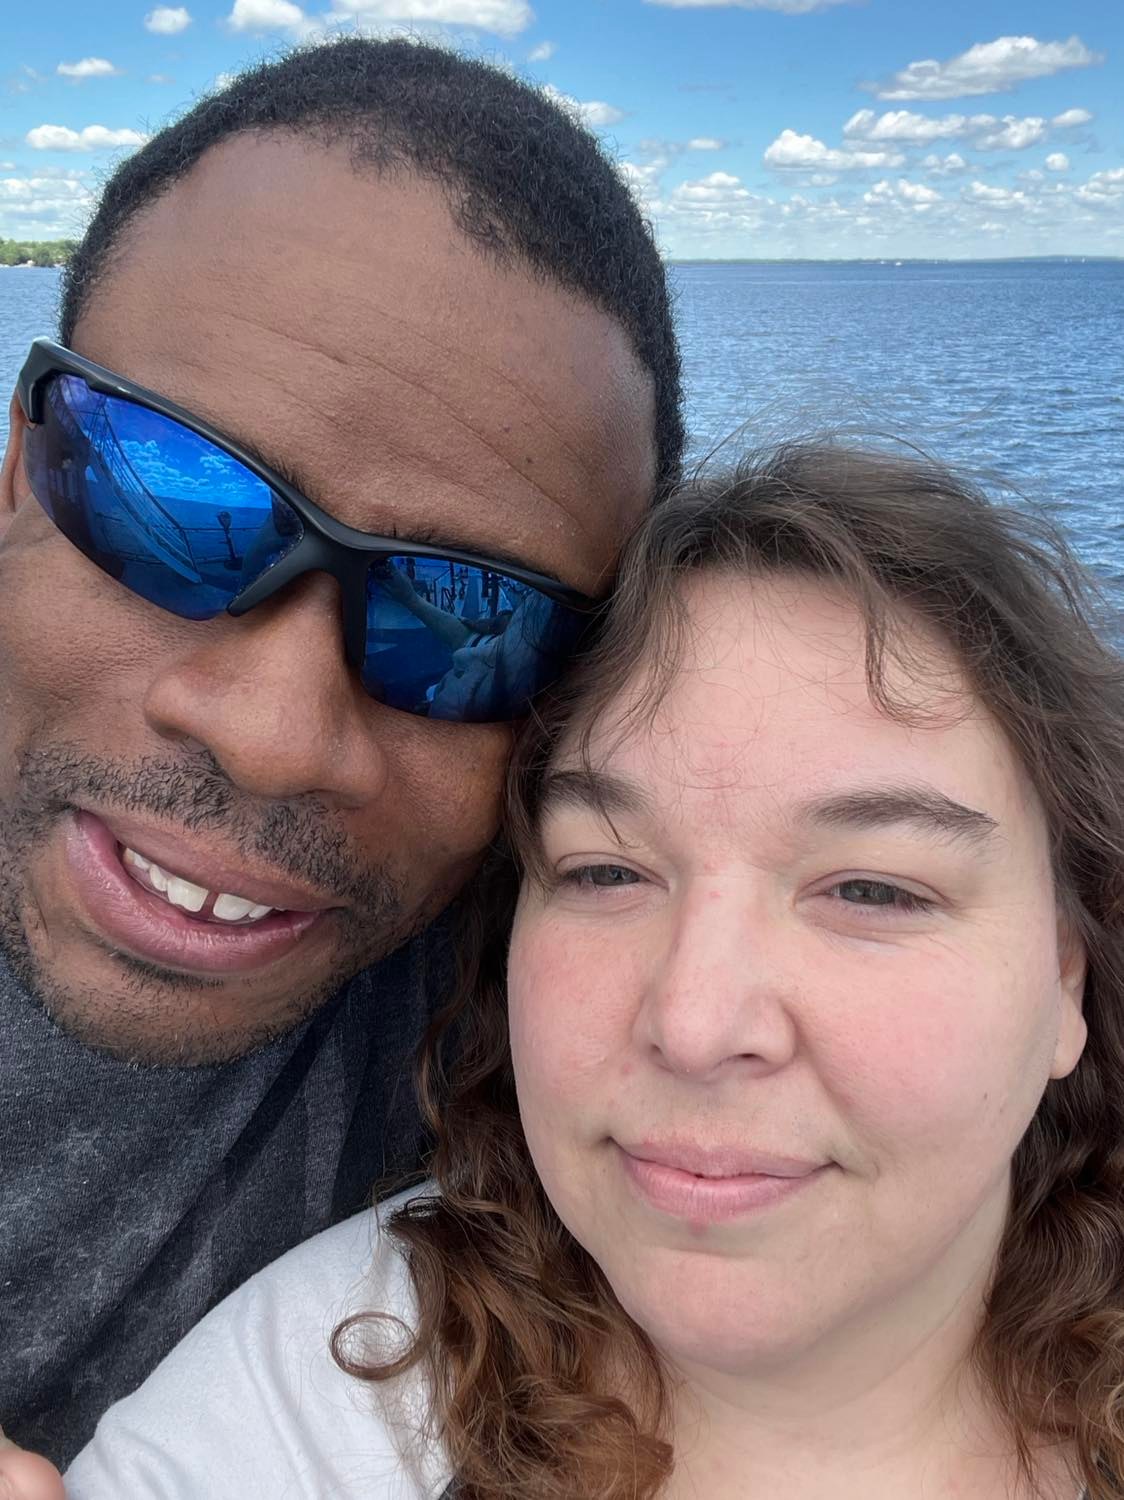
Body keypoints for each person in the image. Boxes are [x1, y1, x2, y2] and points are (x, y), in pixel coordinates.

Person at [46, 442, 1124, 1498]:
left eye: (871, 891)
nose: (695, 1025)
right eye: (606, 872)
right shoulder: (299, 1411)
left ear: (1064, 977)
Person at [0, 35, 683, 1466]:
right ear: (21, 471)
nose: (270, 736)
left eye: (466, 626)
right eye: (171, 500)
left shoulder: (566, 1004)